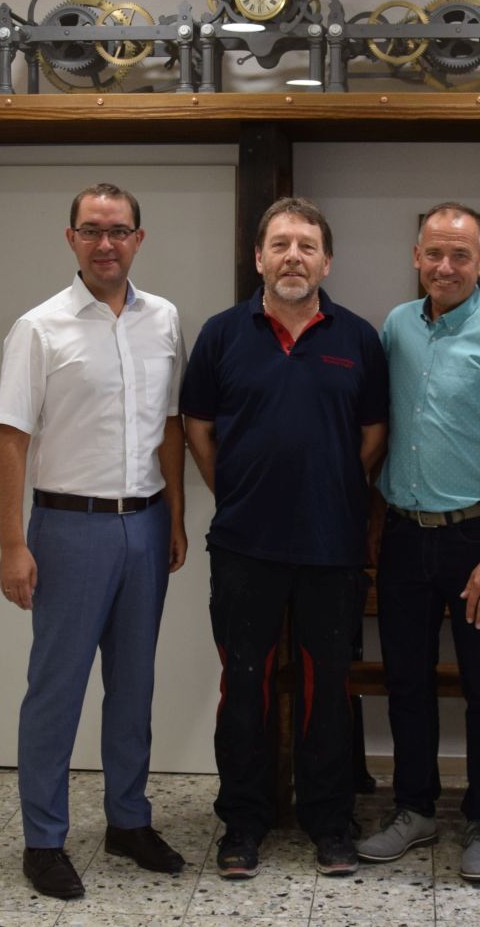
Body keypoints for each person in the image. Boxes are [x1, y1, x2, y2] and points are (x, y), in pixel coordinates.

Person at [181, 197, 388, 880]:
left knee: (328, 689)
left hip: (332, 547)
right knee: (245, 687)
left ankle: (329, 821)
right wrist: (235, 489)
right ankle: (244, 821)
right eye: (280, 244)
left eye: (306, 246)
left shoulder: (358, 339)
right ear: (259, 258)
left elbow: (373, 436)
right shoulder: (221, 334)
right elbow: (197, 426)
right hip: (245, 544)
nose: (293, 256)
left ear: (326, 261)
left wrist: (333, 487)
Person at [0, 183, 188, 900]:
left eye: (119, 230)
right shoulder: (39, 328)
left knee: (134, 686)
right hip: (68, 529)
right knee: (57, 689)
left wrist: (176, 517)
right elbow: (10, 441)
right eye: (92, 230)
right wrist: (13, 545)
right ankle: (44, 839)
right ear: (70, 238)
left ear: (139, 238)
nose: (106, 243)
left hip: (146, 524)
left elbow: (170, 426)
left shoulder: (164, 319)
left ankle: (127, 821)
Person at [356, 203, 480, 883]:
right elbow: (385, 428)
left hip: (477, 539)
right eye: (434, 253)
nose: (445, 266)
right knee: (406, 682)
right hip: (405, 536)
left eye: (460, 255)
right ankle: (414, 808)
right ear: (417, 258)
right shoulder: (396, 327)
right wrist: (374, 518)